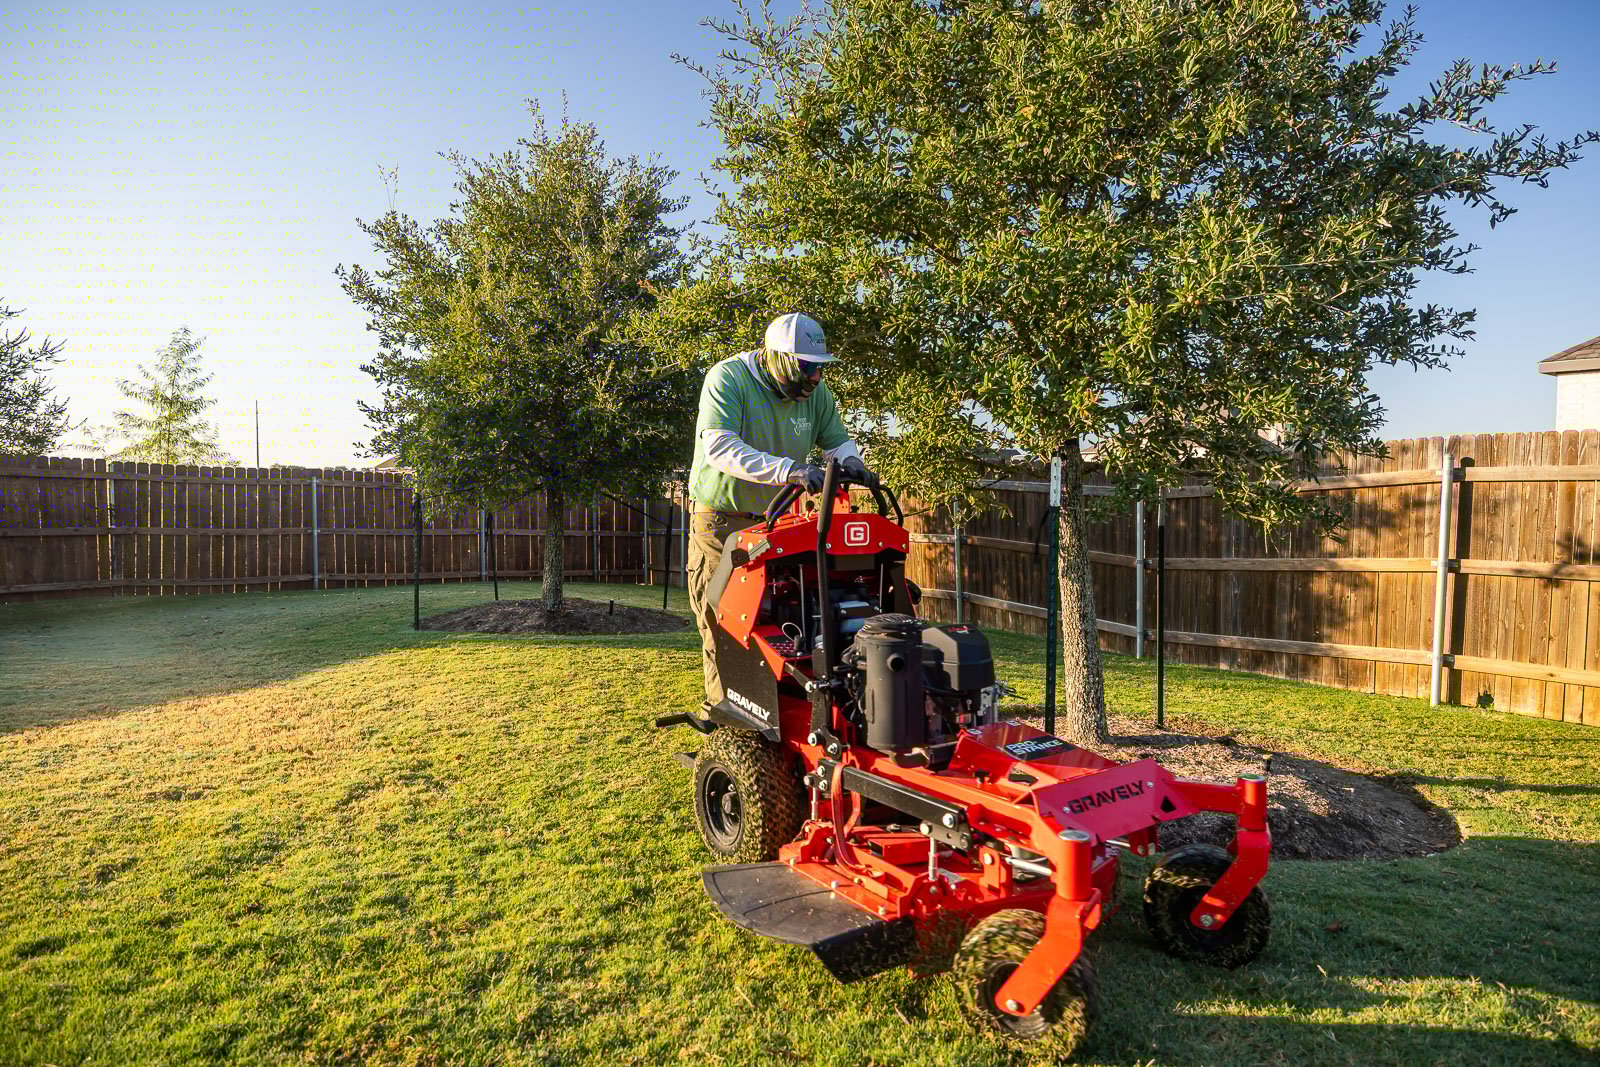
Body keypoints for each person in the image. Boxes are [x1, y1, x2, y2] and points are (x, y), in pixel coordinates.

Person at [686, 312, 870, 715]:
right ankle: (728, 721)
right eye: (806, 367)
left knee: (784, 619)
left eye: (819, 368)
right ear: (778, 357)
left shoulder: (817, 395)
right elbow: (719, 448)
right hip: (723, 522)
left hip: (779, 524)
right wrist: (790, 470)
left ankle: (783, 713)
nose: (815, 378)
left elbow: (837, 442)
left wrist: (852, 463)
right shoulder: (728, 379)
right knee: (725, 622)